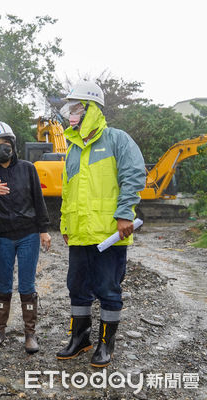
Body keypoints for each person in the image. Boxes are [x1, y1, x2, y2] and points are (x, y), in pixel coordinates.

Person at [56, 81, 146, 367]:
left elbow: (133, 176)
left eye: (77, 106)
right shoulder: (72, 148)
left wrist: (125, 214)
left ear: (92, 108)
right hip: (80, 234)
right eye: (71, 106)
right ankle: (80, 339)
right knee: (77, 287)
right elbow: (68, 192)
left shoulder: (117, 140)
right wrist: (65, 225)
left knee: (108, 288)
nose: (72, 112)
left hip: (109, 234)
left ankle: (106, 344)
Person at [0, 121, 51, 354]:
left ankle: (30, 334)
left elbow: (38, 200)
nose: (1, 147)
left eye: (4, 142)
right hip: (2, 237)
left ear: (12, 144)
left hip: (28, 234)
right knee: (3, 284)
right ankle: (0, 332)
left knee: (27, 284)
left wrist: (44, 229)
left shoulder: (28, 168)